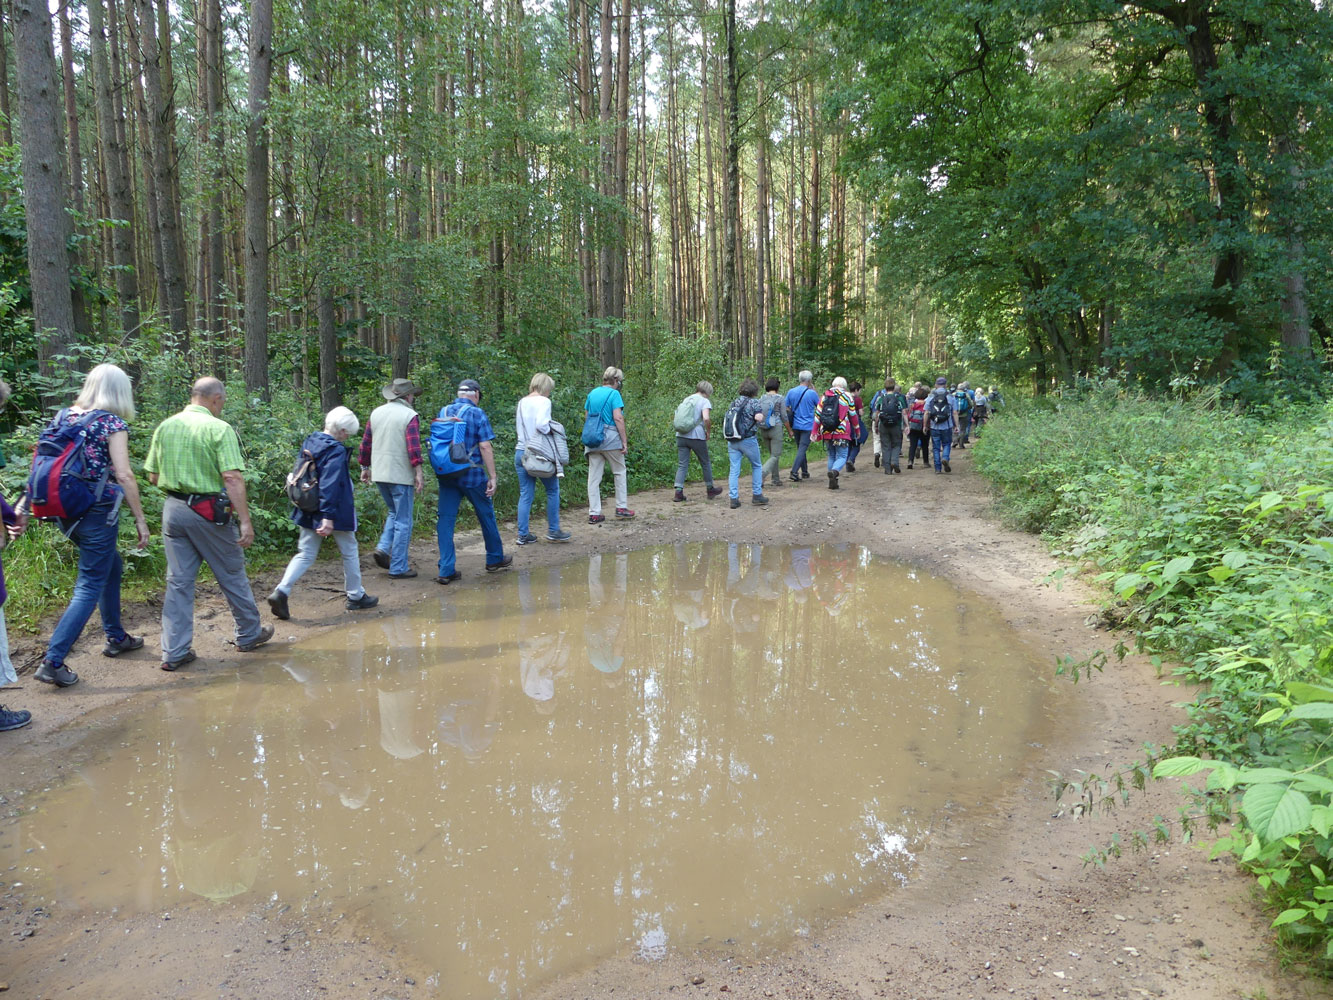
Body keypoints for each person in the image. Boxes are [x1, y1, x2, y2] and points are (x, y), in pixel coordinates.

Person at [11, 365, 151, 688]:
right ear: (120, 392)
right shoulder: (111, 423)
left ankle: (116, 637)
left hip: (63, 510)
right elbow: (125, 474)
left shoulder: (63, 416)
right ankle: (53, 661)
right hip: (96, 513)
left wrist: (25, 505)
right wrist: (141, 519)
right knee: (89, 583)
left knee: (110, 564)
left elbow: (43, 461)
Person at [143, 377, 272, 672]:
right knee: (231, 572)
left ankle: (174, 651)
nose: (222, 407)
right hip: (208, 512)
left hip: (173, 510)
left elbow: (152, 476)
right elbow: (232, 478)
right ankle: (249, 634)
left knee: (178, 581)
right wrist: (245, 521)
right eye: (222, 402)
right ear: (216, 399)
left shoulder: (166, 426)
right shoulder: (219, 428)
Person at [266, 406, 379, 620]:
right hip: (332, 510)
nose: (347, 437)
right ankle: (355, 596)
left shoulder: (311, 440)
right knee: (349, 550)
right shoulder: (335, 450)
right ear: (342, 430)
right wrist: (328, 517)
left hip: (307, 506)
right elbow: (330, 484)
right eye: (347, 433)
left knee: (306, 553)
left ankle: (282, 590)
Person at [433, 378, 512, 583]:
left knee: (446, 520)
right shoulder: (477, 413)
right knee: (486, 515)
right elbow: (485, 446)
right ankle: (494, 558)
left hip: (447, 474)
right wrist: (493, 476)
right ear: (475, 394)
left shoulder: (443, 412)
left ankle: (446, 568)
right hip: (472, 474)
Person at [359, 377, 426, 579]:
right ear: (407, 396)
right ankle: (398, 567)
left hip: (380, 473)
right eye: (413, 394)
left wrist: (364, 466)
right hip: (400, 474)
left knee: (393, 513)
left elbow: (366, 443)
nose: (413, 397)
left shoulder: (376, 413)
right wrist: (419, 472)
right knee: (404, 521)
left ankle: (383, 547)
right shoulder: (409, 415)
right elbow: (413, 447)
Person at [515, 372, 571, 544]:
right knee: (552, 490)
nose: (549, 393)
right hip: (540, 454)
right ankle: (553, 530)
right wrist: (552, 430)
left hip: (521, 452)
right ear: (545, 387)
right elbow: (541, 424)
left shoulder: (522, 402)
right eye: (549, 389)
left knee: (525, 494)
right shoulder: (544, 401)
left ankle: (523, 534)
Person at [584, 367, 633, 523]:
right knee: (619, 471)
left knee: (594, 477)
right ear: (616, 380)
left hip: (593, 440)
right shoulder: (614, 394)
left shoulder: (592, 394)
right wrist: (624, 441)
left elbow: (587, 417)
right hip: (611, 439)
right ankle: (621, 507)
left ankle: (594, 513)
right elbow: (618, 418)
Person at [722, 378, 770, 509]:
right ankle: (757, 495)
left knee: (734, 469)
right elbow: (758, 418)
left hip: (733, 439)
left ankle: (733, 498)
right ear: (754, 391)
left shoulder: (734, 402)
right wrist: (761, 417)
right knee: (756, 466)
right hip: (748, 440)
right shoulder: (755, 402)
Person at [672, 381, 723, 503]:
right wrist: (708, 432)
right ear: (708, 391)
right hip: (696, 436)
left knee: (682, 464)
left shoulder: (687, 399)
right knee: (705, 462)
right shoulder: (704, 401)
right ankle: (710, 489)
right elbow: (706, 418)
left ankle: (678, 492)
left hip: (681, 435)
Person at [812, 376, 860, 490]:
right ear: (844, 385)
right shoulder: (847, 396)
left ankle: (832, 481)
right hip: (841, 430)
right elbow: (853, 415)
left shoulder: (825, 395)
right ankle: (834, 472)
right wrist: (857, 430)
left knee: (831, 455)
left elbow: (818, 415)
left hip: (827, 430)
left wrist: (814, 431)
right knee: (842, 456)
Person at [783, 371, 818, 483]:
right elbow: (820, 406)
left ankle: (805, 471)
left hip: (795, 425)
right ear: (809, 380)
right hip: (807, 425)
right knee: (802, 448)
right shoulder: (812, 393)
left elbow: (786, 407)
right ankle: (794, 472)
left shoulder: (791, 391)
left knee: (800, 448)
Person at [871, 378, 908, 474]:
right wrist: (907, 425)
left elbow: (877, 413)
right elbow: (904, 413)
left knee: (885, 446)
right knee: (896, 444)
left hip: (883, 425)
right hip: (896, 424)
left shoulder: (881, 398)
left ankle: (887, 469)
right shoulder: (899, 398)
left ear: (885, 387)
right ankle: (894, 461)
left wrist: (875, 425)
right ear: (894, 386)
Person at [757, 377, 786, 489]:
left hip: (764, 429)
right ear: (777, 387)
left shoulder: (762, 398)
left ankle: (776, 479)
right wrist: (789, 429)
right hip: (776, 428)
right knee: (775, 455)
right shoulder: (780, 398)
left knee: (772, 455)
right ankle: (762, 474)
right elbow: (784, 416)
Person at [926, 376, 958, 474]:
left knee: (935, 447)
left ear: (936, 385)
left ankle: (937, 469)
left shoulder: (931, 396)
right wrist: (956, 425)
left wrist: (924, 425)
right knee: (947, 444)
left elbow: (926, 412)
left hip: (934, 425)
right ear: (945, 385)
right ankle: (945, 458)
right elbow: (955, 412)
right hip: (947, 425)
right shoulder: (950, 396)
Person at [845, 380, 867, 472]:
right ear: (857, 390)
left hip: (845, 423)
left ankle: (847, 463)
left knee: (849, 444)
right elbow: (861, 413)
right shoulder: (857, 399)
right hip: (855, 423)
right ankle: (851, 460)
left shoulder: (845, 397)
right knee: (857, 443)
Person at [906, 386, 930, 469]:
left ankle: (910, 461)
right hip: (924, 426)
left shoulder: (913, 405)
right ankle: (926, 462)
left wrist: (908, 425)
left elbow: (909, 415)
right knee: (925, 445)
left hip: (913, 426)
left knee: (913, 445)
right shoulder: (927, 404)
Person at [954, 381, 975, 449]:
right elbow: (971, 404)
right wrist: (967, 409)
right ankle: (961, 444)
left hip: (955, 414)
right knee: (963, 429)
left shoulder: (953, 394)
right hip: (964, 414)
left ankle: (955, 441)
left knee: (955, 428)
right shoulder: (966, 395)